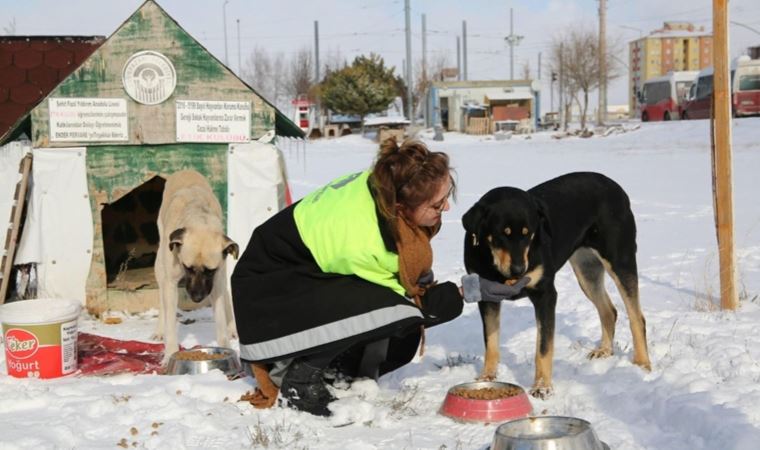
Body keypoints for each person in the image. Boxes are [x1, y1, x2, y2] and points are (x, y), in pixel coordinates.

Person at [231, 138, 527, 417]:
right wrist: (471, 290)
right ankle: (300, 379)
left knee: (399, 327)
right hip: (267, 294)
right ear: (402, 208)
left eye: (447, 197)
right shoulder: (370, 243)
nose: (446, 208)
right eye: (437, 205)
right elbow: (411, 306)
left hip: (291, 274)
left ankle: (333, 367)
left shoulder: (386, 186)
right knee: (396, 315)